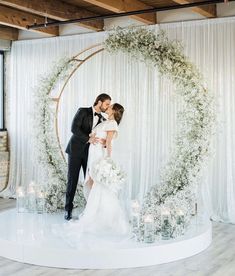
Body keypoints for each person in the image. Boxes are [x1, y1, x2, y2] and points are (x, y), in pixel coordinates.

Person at [66, 103, 131, 243]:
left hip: (98, 156)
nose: (108, 106)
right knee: (90, 182)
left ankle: (100, 215)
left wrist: (107, 161)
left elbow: (109, 144)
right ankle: (94, 211)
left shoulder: (112, 123)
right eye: (108, 103)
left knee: (96, 183)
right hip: (92, 153)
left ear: (113, 110)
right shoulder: (105, 121)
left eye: (110, 105)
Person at [64, 93, 111, 220]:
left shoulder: (104, 120)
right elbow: (74, 128)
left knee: (91, 181)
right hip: (75, 151)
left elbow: (105, 136)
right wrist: (87, 139)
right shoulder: (82, 111)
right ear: (99, 102)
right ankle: (68, 209)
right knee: (72, 180)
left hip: (91, 154)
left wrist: (105, 143)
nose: (108, 107)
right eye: (106, 104)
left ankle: (91, 211)